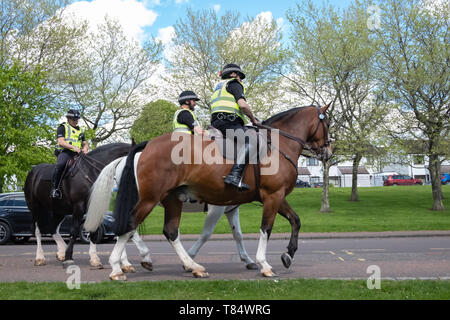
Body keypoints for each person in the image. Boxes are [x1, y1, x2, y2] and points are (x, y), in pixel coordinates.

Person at [210, 64, 259, 191]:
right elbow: (242, 105)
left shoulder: (219, 87)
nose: (240, 80)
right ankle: (234, 175)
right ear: (233, 74)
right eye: (240, 77)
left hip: (216, 123)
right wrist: (253, 119)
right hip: (229, 123)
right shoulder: (234, 84)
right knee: (252, 141)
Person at [50, 109, 88, 199]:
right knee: (60, 164)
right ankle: (55, 189)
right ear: (68, 119)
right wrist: (73, 148)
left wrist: (85, 148)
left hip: (78, 154)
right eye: (74, 119)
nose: (76, 121)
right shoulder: (63, 127)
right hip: (66, 152)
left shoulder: (80, 130)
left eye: (77, 119)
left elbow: (85, 143)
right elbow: (61, 142)